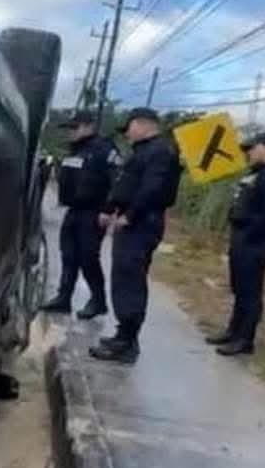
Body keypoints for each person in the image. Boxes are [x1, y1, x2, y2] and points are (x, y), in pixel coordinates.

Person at [89, 107, 183, 364]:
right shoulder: (143, 151)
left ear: (143, 124)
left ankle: (128, 343)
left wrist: (130, 215)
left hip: (143, 222)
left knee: (130, 279)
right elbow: (126, 184)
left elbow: (153, 189)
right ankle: (123, 334)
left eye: (129, 128)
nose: (127, 134)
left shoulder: (161, 151)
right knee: (122, 277)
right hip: (131, 220)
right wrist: (110, 209)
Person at [206, 132, 265, 356]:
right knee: (240, 288)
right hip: (242, 238)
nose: (249, 153)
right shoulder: (257, 174)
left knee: (250, 291)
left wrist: (250, 233)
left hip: (255, 241)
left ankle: (245, 340)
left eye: (252, 148)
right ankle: (233, 331)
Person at [43, 111, 121, 319]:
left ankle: (98, 301)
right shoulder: (74, 151)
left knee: (88, 258)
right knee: (69, 256)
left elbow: (118, 181)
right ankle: (63, 298)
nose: (71, 132)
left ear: (89, 127)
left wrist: (109, 209)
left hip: (94, 212)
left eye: (74, 128)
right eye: (69, 128)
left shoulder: (104, 149)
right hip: (74, 211)